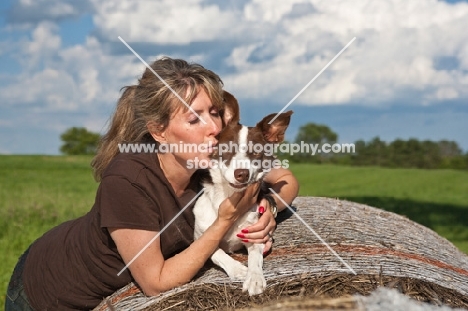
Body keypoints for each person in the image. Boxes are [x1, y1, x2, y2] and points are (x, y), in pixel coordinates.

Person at [5, 57, 299, 310]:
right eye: (194, 119)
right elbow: (155, 284)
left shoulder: (215, 160)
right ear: (159, 132)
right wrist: (227, 219)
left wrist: (268, 206)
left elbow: (286, 178)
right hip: (51, 290)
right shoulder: (128, 180)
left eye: (213, 113)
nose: (213, 127)